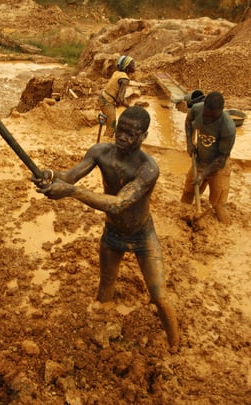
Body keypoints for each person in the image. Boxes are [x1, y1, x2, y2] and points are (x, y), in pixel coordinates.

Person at [33, 106, 179, 350]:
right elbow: (70, 176)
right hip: (113, 235)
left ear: (143, 136)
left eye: (131, 134)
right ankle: (102, 331)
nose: (123, 137)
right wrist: (48, 175)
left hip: (143, 236)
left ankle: (175, 341)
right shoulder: (101, 152)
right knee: (105, 287)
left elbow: (118, 204)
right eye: (120, 130)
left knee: (159, 296)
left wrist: (70, 192)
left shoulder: (148, 169)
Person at [181, 91, 236, 224]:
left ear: (221, 111)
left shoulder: (228, 128)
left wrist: (204, 174)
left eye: (212, 117)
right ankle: (182, 222)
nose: (208, 119)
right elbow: (188, 121)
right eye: (206, 115)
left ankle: (224, 230)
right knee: (188, 194)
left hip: (218, 166)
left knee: (218, 204)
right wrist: (190, 143)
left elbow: (221, 159)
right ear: (204, 106)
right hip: (199, 160)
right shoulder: (197, 109)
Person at [99, 55, 136, 138]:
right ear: (127, 67)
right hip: (107, 102)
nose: (134, 66)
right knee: (111, 127)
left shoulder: (117, 73)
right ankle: (104, 144)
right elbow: (120, 99)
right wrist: (130, 108)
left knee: (111, 122)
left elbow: (115, 93)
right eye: (132, 65)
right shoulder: (124, 79)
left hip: (103, 97)